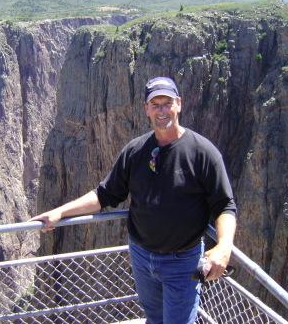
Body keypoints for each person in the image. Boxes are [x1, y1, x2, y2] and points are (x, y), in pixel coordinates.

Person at [29, 77, 237, 324]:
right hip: (141, 257)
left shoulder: (202, 152)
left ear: (178, 104)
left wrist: (224, 247)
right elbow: (104, 195)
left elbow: (224, 205)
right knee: (154, 319)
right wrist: (60, 212)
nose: (161, 110)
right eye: (155, 104)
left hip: (183, 262)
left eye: (167, 103)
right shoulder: (135, 151)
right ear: (146, 109)